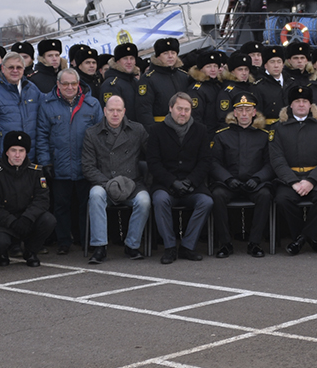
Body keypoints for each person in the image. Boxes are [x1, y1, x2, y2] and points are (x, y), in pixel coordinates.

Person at [36, 68, 103, 254]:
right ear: (58, 84)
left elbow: (101, 135)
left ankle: (84, 239)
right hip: (59, 165)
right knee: (61, 206)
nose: (70, 87)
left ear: (78, 83)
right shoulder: (47, 104)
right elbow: (41, 136)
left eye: (73, 83)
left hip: (86, 165)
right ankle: (64, 241)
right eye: (65, 84)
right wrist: (45, 162)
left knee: (85, 205)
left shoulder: (92, 104)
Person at [81, 95, 151, 264]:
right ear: (104, 111)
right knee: (95, 196)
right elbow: (87, 166)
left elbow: (153, 154)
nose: (115, 114)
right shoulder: (92, 133)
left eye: (118, 110)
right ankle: (100, 247)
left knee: (144, 201)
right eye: (111, 110)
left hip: (132, 183)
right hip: (104, 183)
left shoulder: (138, 130)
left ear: (124, 111)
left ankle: (132, 245)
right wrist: (109, 184)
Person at [270, 85, 317, 255]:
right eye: (297, 101)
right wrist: (292, 181)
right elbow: (277, 159)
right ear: (290, 105)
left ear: (310, 104)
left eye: (304, 101)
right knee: (283, 199)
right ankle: (310, 237)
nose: (301, 104)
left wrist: (311, 181)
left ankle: (301, 239)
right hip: (289, 179)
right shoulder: (278, 127)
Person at [148, 93, 213, 263]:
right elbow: (153, 163)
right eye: (179, 109)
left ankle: (187, 247)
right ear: (170, 108)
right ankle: (169, 248)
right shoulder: (156, 131)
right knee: (160, 200)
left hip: (192, 185)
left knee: (206, 202)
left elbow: (205, 161)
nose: (183, 113)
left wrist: (191, 181)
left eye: (187, 109)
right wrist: (172, 182)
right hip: (166, 185)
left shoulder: (201, 130)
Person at [208, 92, 273, 259]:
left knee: (265, 195)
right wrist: (227, 179)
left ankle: (255, 243)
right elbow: (214, 162)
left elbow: (270, 163)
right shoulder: (222, 135)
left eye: (248, 110)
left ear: (254, 112)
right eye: (240, 110)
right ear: (234, 113)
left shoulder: (264, 136)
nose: (244, 114)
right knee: (217, 195)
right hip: (230, 183)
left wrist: (258, 178)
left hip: (254, 183)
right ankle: (225, 243)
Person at [0, 130, 55, 267]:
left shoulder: (36, 171)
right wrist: (12, 222)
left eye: (21, 151)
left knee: (48, 220)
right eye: (13, 150)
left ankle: (30, 251)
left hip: (27, 219)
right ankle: (2, 253)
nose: (17, 155)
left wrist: (27, 218)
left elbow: (42, 199)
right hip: (5, 222)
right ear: (6, 152)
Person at [0, 51, 42, 168]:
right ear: (3, 68)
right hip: (2, 158)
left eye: (19, 67)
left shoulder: (32, 89)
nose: (15, 70)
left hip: (29, 158)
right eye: (11, 67)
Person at [136, 38, 193, 128]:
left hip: (184, 127)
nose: (170, 56)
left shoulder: (184, 76)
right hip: (161, 128)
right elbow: (144, 110)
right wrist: (153, 132)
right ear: (158, 56)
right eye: (165, 53)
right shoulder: (148, 79)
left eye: (173, 53)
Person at [100, 43, 141, 109]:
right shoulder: (111, 84)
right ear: (117, 61)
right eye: (125, 58)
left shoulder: (134, 81)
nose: (129, 62)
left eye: (132, 58)